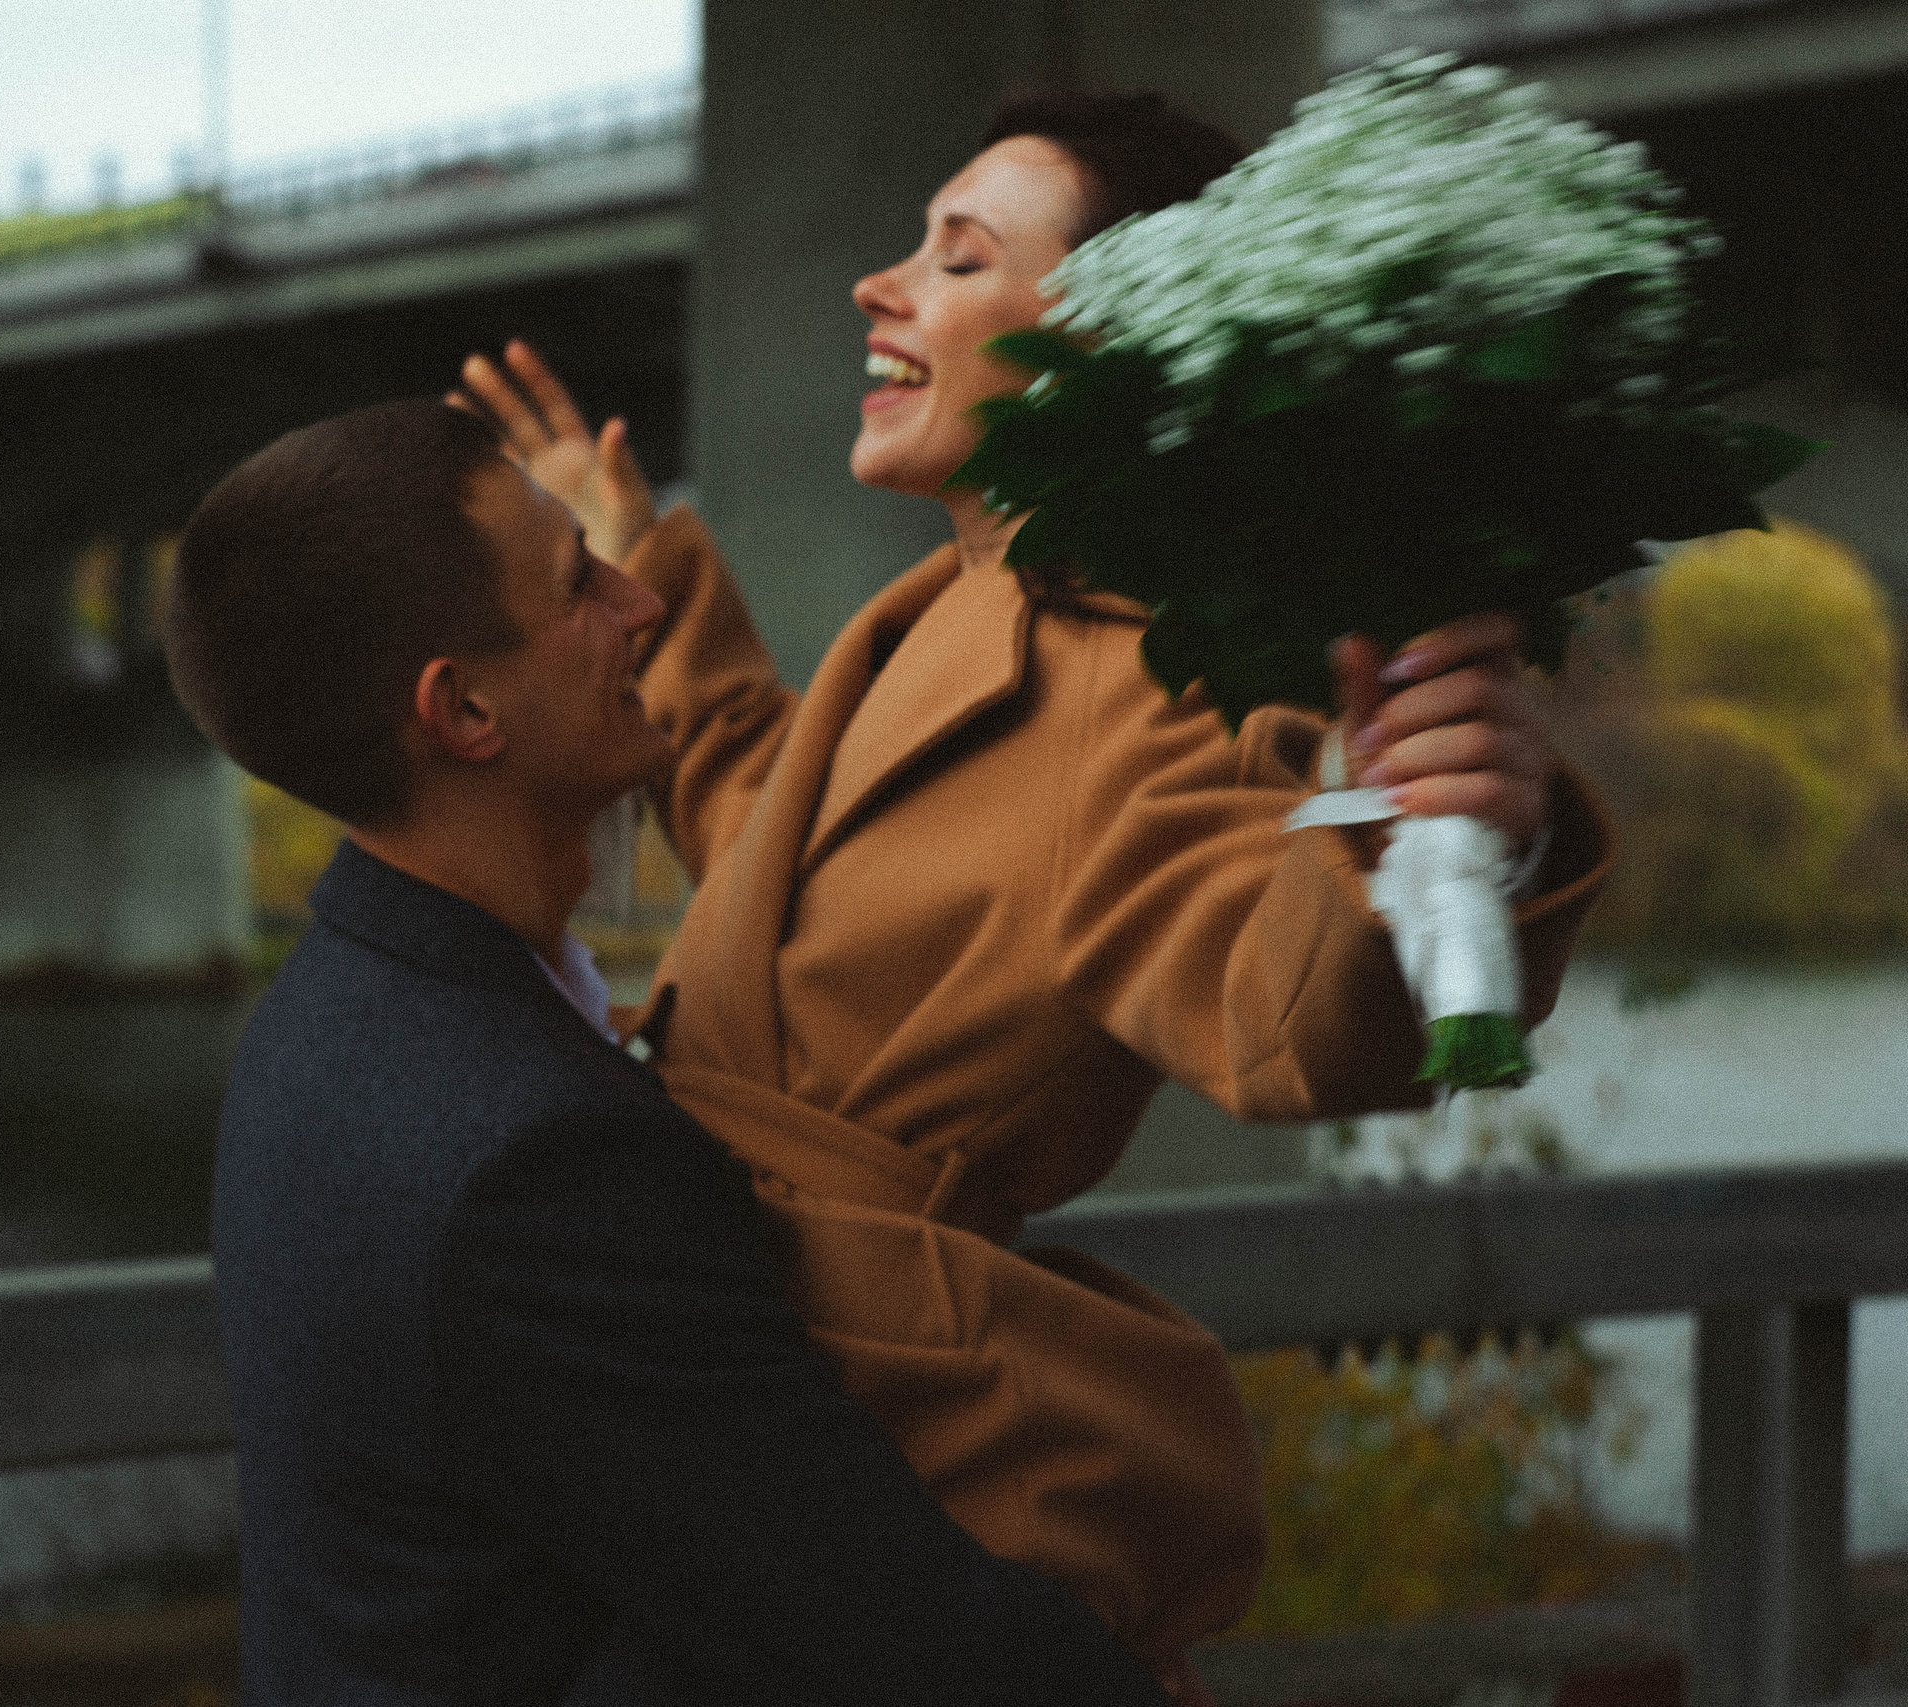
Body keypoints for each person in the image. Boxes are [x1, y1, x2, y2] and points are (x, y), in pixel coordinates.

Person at [452, 90, 1614, 1667]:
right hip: (740, 1383)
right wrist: (641, 559)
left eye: (957, 255)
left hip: (898, 1444)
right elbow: (763, 838)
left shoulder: (1158, 677)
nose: (879, 284)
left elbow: (1276, 1015)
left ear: (1112, 341)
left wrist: (1429, 841)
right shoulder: (944, 606)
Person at [165, 396, 1181, 1705]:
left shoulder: (335, 1018)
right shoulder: (534, 1162)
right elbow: (869, 1621)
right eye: (580, 581)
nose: (639, 605)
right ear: (464, 707)